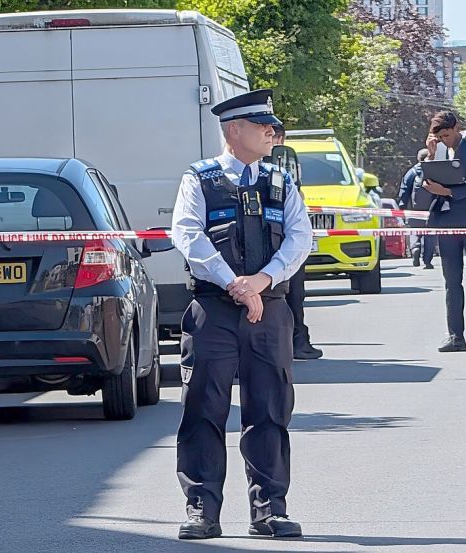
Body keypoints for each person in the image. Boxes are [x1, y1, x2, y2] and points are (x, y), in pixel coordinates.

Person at [171, 89, 312, 540]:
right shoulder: (200, 179)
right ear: (234, 130)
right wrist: (234, 281)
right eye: (261, 125)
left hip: (268, 312)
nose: (272, 131)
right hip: (214, 309)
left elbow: (299, 240)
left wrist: (261, 282)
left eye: (271, 125)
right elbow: (188, 235)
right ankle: (201, 510)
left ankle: (269, 510)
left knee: (270, 410)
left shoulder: (282, 181)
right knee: (203, 410)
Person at [423, 111, 466, 352]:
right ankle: (455, 336)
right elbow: (427, 184)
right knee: (452, 281)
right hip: (446, 221)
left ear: (457, 128)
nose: (444, 140)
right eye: (440, 137)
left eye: (447, 135)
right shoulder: (438, 149)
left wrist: (450, 192)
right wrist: (431, 156)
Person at [268, 123, 323, 360]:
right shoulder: (278, 161)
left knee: (291, 293)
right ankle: (297, 339)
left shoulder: (277, 163)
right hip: (278, 237)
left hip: (276, 237)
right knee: (292, 293)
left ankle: (295, 339)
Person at [398, 148, 437, 269]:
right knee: (430, 234)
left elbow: (404, 189)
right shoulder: (435, 171)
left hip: (414, 210)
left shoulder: (412, 172)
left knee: (415, 231)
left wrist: (402, 206)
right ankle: (428, 260)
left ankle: (415, 248)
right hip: (432, 210)